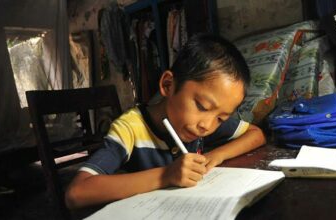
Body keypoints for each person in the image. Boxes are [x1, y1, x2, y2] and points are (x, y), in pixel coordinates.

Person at [65, 34, 266, 209]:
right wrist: (166, 175)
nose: (208, 125)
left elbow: (256, 134)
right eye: (202, 106)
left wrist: (216, 156)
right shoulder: (130, 129)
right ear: (168, 85)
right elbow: (77, 193)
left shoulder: (203, 124)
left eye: (221, 118)